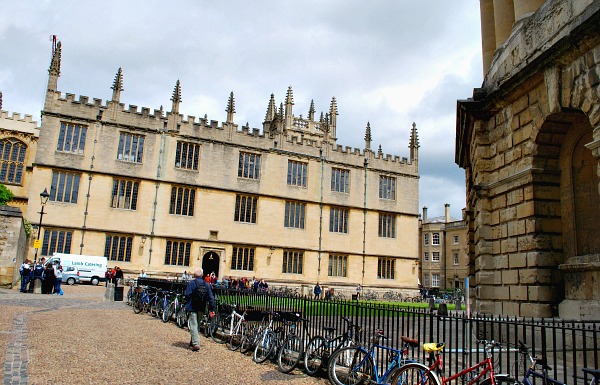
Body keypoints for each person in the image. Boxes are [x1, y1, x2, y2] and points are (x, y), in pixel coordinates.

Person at [185, 268, 216, 351]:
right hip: (201, 306)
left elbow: (187, 295)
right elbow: (211, 298)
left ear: (194, 275)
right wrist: (212, 308)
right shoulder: (207, 285)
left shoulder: (192, 283)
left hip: (192, 306)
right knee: (197, 324)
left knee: (193, 325)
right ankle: (193, 341)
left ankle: (196, 343)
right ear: (202, 275)